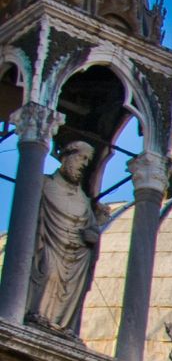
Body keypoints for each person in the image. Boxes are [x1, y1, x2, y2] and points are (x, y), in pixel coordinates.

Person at [29, 141, 108, 332]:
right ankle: (35, 316)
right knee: (50, 273)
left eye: (87, 162)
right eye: (81, 158)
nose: (83, 165)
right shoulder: (44, 184)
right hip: (50, 246)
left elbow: (89, 229)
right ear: (66, 156)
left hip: (76, 258)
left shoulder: (83, 199)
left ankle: (61, 327)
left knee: (74, 287)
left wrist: (95, 231)